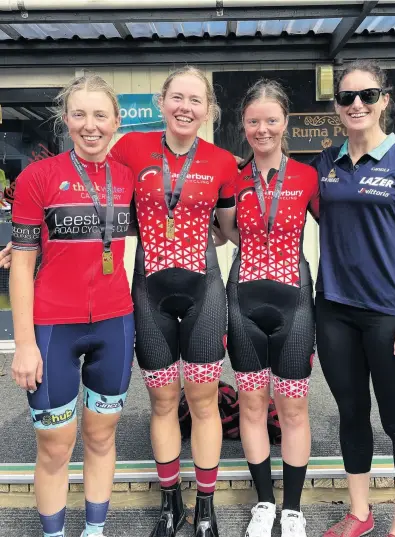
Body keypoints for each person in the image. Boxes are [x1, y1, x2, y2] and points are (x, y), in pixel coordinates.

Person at [109, 66, 238, 537]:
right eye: (177, 98)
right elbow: (97, 197)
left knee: (203, 402)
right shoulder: (130, 148)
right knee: (162, 401)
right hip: (149, 292)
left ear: (208, 110)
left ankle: (205, 506)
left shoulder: (223, 161)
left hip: (204, 291)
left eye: (196, 100)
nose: (186, 108)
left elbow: (226, 232)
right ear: (162, 102)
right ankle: (171, 503)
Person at [313, 60, 395, 537]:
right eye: (346, 97)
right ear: (337, 107)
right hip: (336, 312)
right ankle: (361, 513)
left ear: (385, 99)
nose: (357, 104)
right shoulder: (326, 163)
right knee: (351, 416)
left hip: (390, 314)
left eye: (367, 94)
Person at [10, 74, 135, 537]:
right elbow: (21, 266)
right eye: (79, 114)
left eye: (100, 115)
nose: (90, 126)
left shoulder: (127, 178)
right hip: (51, 327)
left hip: (114, 324)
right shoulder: (36, 177)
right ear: (66, 120)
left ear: (116, 121)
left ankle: (95, 530)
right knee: (55, 446)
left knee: (102, 438)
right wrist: (24, 344)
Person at [216, 79, 318, 537]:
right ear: (244, 124)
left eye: (271, 120)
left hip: (295, 301)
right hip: (243, 302)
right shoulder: (232, 177)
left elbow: (341, 228)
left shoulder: (307, 176)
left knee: (293, 408)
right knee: (252, 405)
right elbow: (221, 229)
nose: (262, 129)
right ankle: (264, 503)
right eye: (253, 121)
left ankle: (292, 508)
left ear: (285, 123)